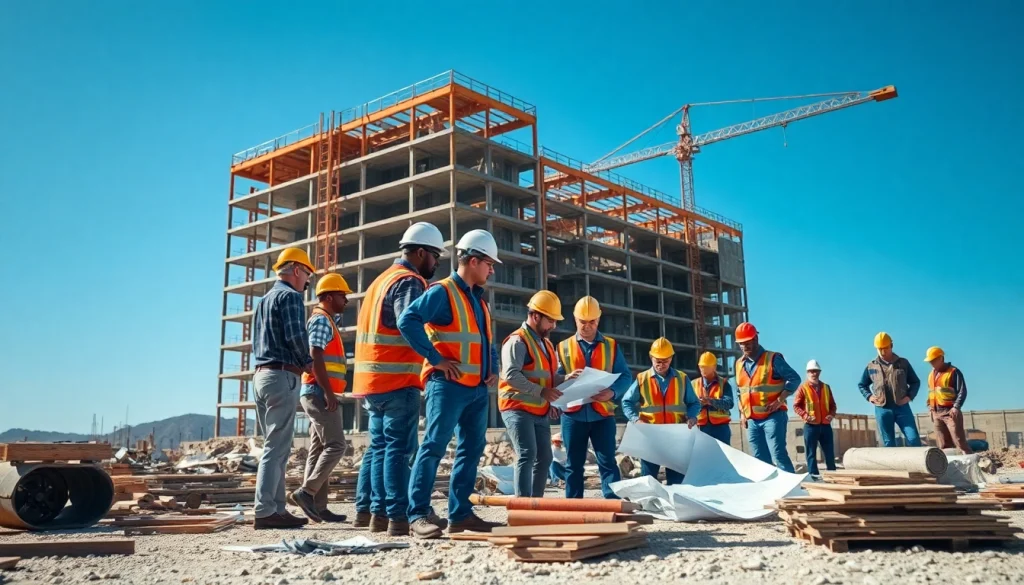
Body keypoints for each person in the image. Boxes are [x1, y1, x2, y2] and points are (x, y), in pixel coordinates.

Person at [398, 229, 502, 538]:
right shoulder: (442, 292)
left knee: (472, 449)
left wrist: (492, 366)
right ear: (473, 261)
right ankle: (417, 515)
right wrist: (434, 357)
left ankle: (460, 515)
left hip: (477, 389)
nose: (492, 270)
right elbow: (407, 320)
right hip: (447, 385)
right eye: (489, 264)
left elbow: (487, 341)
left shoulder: (479, 302)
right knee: (433, 447)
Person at [351, 223, 445, 536]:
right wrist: (435, 356)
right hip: (396, 378)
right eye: (434, 257)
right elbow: (409, 322)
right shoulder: (409, 281)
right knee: (398, 451)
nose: (436, 264)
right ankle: (398, 517)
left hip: (371, 381)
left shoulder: (381, 280)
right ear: (420, 252)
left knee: (379, 448)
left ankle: (378, 514)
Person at [251, 247, 317, 530]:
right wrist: (309, 364)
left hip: (261, 377)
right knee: (276, 449)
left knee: (274, 447)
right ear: (297, 270)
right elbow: (296, 336)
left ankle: (276, 508)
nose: (307, 283)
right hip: (281, 376)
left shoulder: (264, 300)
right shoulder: (290, 296)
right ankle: (265, 510)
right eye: (307, 275)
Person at [498, 291, 577, 497]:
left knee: (545, 457)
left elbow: (548, 378)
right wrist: (542, 392)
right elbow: (511, 375)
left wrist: (567, 378)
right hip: (517, 407)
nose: (554, 326)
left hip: (539, 408)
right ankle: (523, 508)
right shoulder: (517, 341)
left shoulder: (547, 344)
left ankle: (536, 506)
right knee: (527, 454)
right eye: (550, 320)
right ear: (535, 316)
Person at [289, 273, 352, 523]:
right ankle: (307, 492)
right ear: (328, 297)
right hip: (318, 392)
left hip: (316, 391)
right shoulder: (322, 320)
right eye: (342, 295)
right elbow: (314, 355)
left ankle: (318, 505)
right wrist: (327, 392)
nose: (346, 300)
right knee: (337, 445)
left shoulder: (327, 320)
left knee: (318, 449)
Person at [556, 296, 631, 499]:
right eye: (583, 322)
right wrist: (565, 378)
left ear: (598, 320)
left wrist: (613, 392)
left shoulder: (611, 346)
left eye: (592, 322)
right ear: (575, 319)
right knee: (573, 464)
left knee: (607, 462)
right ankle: (573, 508)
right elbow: (554, 379)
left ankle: (612, 503)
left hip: (602, 414)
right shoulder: (563, 347)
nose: (587, 326)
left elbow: (625, 376)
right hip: (573, 414)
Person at [621, 338, 700, 485]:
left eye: (665, 361)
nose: (660, 365)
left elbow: (694, 403)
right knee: (649, 480)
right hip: (651, 436)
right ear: (651, 357)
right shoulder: (642, 378)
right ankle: (651, 506)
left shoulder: (682, 379)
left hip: (675, 436)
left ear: (671, 359)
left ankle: (676, 506)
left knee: (677, 481)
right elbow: (626, 402)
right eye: (657, 360)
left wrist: (691, 417)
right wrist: (636, 419)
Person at [734, 322, 801, 473]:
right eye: (741, 343)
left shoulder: (773, 359)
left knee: (778, 455)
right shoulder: (739, 364)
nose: (745, 346)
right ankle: (771, 491)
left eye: (748, 342)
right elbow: (740, 392)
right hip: (751, 420)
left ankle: (791, 489)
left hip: (773, 416)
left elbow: (794, 379)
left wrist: (780, 400)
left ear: (756, 339)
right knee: (759, 459)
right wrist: (742, 414)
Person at [858, 332, 922, 447]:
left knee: (913, 439)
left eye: (885, 348)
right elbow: (862, 385)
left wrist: (909, 397)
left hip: (902, 406)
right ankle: (894, 465)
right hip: (882, 409)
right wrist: (869, 396)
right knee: (888, 443)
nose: (883, 352)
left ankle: (917, 464)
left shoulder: (903, 363)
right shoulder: (871, 366)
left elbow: (915, 382)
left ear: (891, 345)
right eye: (880, 349)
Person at [793, 359, 837, 476]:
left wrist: (831, 415)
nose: (814, 374)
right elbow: (796, 406)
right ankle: (814, 475)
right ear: (807, 373)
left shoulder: (826, 388)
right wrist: (806, 416)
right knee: (811, 453)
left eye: (816, 371)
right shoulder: (803, 388)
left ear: (819, 372)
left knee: (829, 453)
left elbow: (833, 405)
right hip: (811, 426)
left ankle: (832, 474)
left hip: (826, 425)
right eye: (811, 371)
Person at [924, 346, 972, 453]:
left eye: (933, 360)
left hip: (950, 412)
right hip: (936, 413)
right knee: (943, 445)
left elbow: (962, 391)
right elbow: (931, 392)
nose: (931, 363)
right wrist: (930, 408)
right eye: (930, 361)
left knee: (959, 442)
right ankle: (949, 467)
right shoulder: (931, 375)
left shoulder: (953, 372)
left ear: (941, 358)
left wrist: (956, 407)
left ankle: (971, 464)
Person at [693, 351, 734, 445]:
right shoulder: (693, 384)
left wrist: (710, 401)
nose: (703, 370)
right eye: (701, 367)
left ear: (714, 367)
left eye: (706, 367)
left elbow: (729, 403)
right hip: (701, 428)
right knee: (704, 457)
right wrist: (700, 404)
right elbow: (688, 406)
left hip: (721, 429)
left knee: (723, 457)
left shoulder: (724, 384)